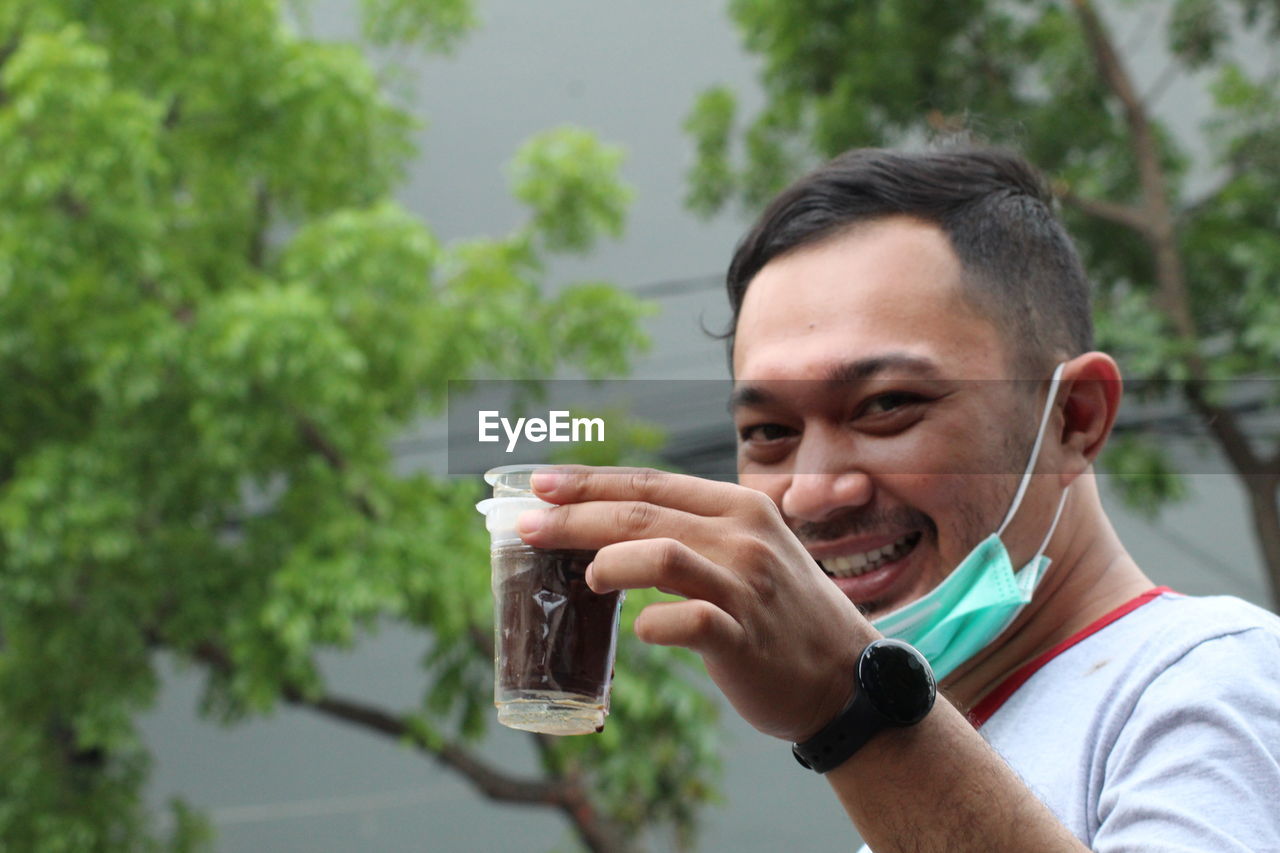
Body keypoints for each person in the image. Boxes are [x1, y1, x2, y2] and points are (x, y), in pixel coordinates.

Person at [514, 148, 1280, 851]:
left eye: (886, 406)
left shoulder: (1215, 681)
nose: (815, 492)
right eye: (770, 429)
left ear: (1074, 415)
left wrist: (852, 708)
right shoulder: (925, 768)